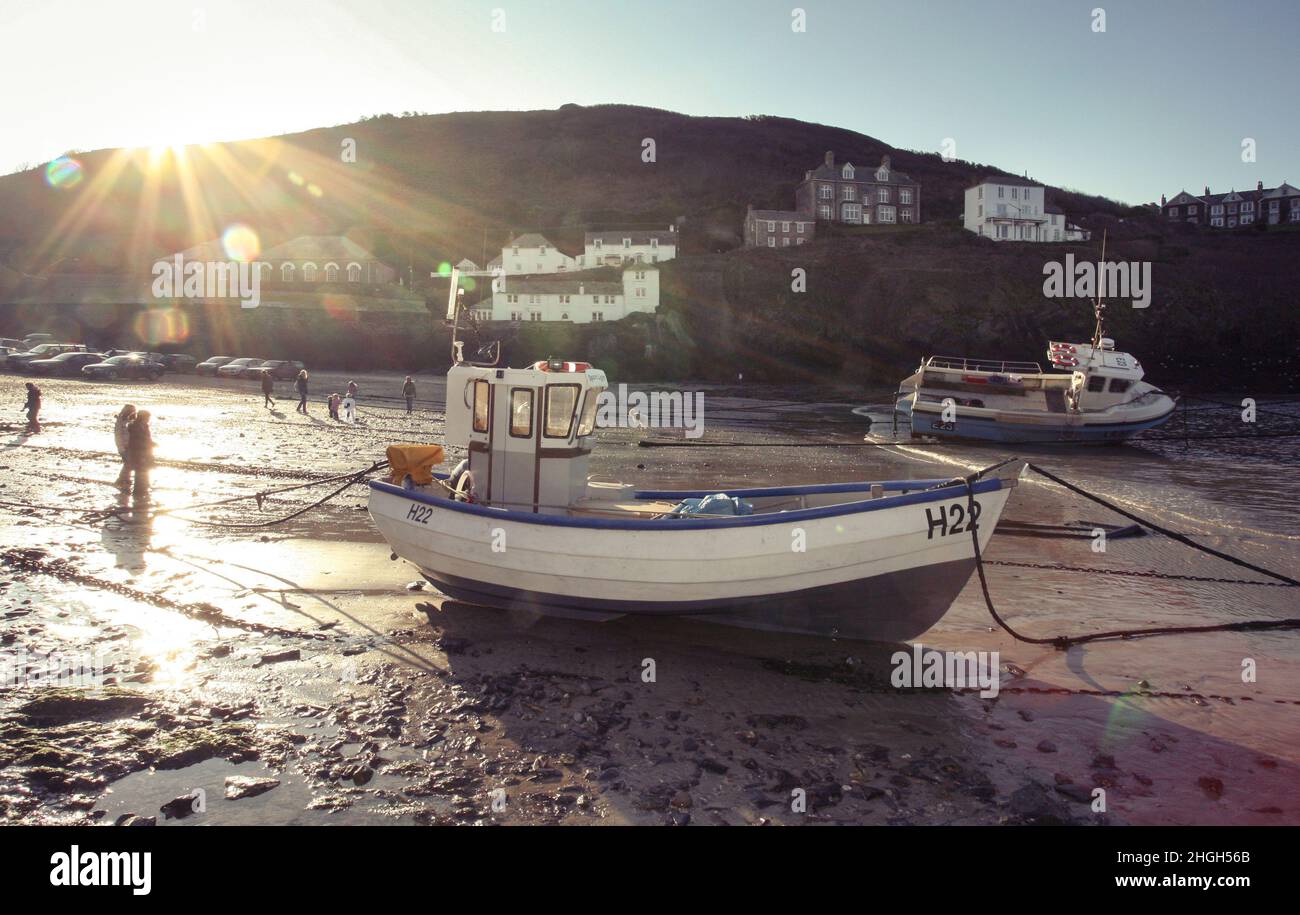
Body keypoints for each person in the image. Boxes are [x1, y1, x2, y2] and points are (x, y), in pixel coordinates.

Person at [125, 409, 154, 500]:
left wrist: (151, 444)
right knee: (140, 473)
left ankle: (143, 490)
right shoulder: (135, 427)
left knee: (144, 472)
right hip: (138, 453)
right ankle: (139, 493)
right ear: (143, 417)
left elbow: (146, 439)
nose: (149, 419)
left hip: (144, 452)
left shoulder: (143, 426)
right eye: (148, 417)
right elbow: (137, 442)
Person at [113, 404, 137, 490]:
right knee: (128, 463)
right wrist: (122, 446)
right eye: (132, 412)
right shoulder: (121, 422)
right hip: (123, 446)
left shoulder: (126, 421)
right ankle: (122, 479)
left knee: (128, 463)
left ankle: (125, 479)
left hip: (126, 446)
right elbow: (119, 435)